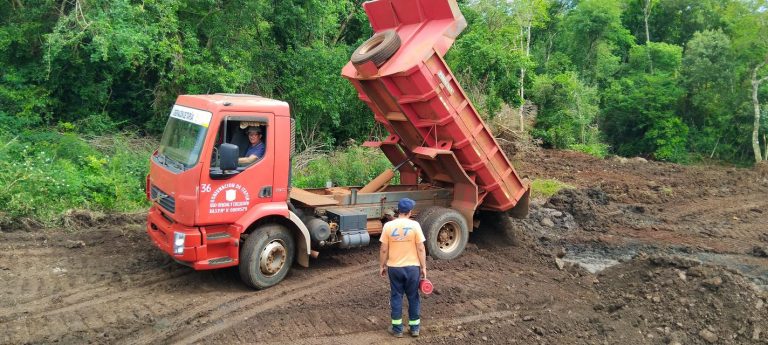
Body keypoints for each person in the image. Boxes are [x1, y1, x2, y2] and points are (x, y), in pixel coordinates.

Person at [379, 198, 427, 338]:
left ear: (398, 210)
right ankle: (414, 328)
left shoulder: (388, 226)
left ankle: (397, 329)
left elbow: (383, 249)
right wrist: (423, 267)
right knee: (413, 297)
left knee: (396, 296)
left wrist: (382, 265)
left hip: (395, 268)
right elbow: (420, 247)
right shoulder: (415, 225)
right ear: (410, 212)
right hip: (413, 268)